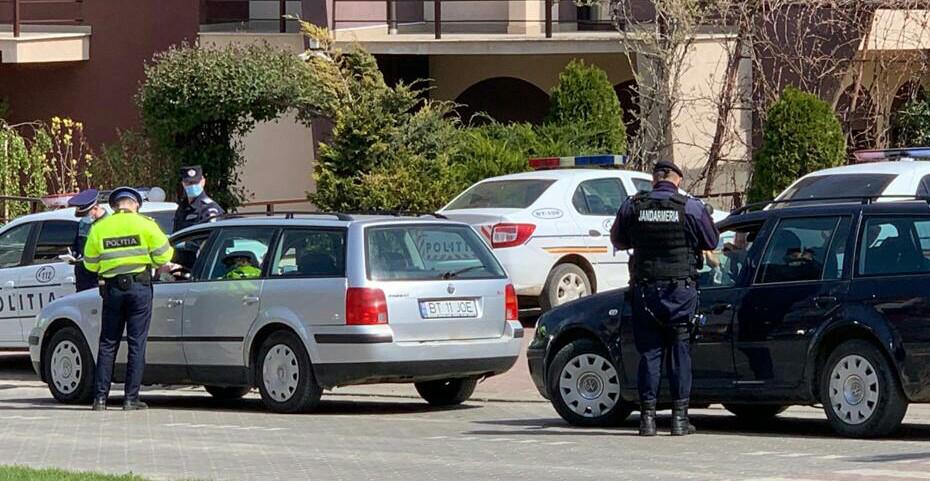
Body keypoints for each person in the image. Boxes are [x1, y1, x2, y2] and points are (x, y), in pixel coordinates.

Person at [611, 160, 719, 436]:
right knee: (680, 353)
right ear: (677, 180)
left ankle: (647, 420)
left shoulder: (633, 206)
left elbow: (618, 240)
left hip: (645, 292)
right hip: (679, 292)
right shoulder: (689, 207)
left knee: (649, 354)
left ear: (654, 179)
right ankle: (679, 420)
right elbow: (711, 241)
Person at [83, 187, 174, 411]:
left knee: (107, 343)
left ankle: (100, 399)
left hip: (112, 289)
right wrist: (152, 262)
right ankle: (130, 399)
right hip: (139, 288)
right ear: (136, 205)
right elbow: (165, 254)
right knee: (136, 343)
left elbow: (90, 264)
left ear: (115, 206)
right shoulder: (146, 224)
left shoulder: (100, 228)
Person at [67, 189, 108, 292]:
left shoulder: (109, 224)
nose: (84, 217)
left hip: (101, 278)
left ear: (96, 208)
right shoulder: (82, 224)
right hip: (83, 278)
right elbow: (78, 244)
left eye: (86, 214)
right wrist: (74, 255)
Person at [173, 165, 224, 232]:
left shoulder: (209, 209)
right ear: (183, 183)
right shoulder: (182, 207)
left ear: (203, 181)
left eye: (196, 182)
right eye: (189, 183)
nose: (193, 186)